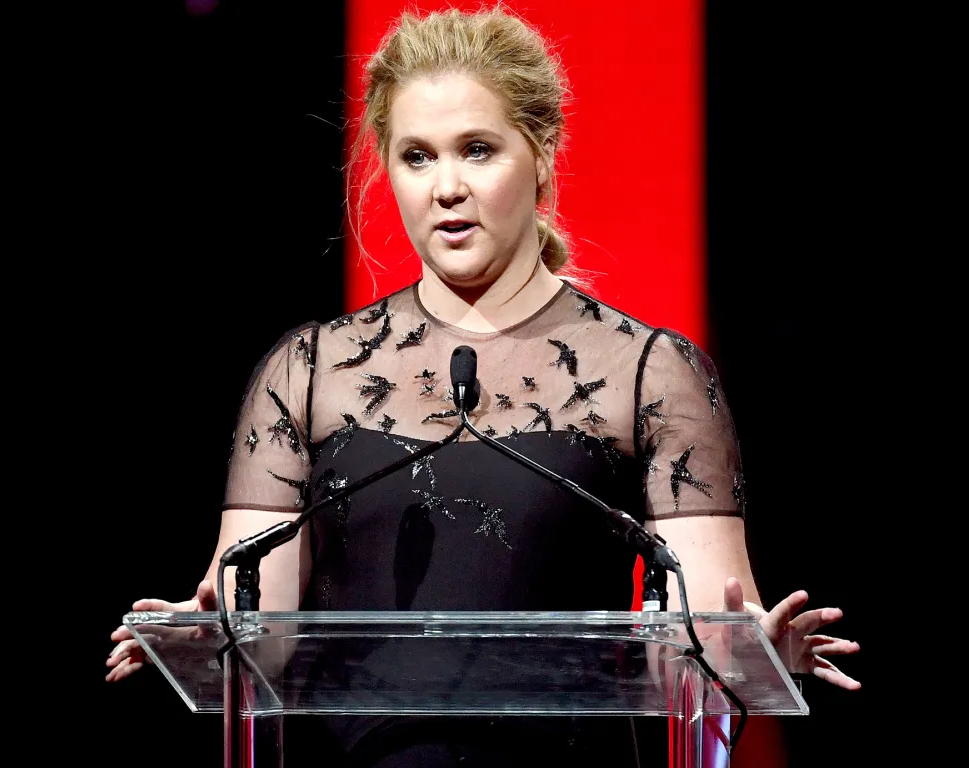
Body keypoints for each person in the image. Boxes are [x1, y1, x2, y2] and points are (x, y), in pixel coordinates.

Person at [106, 6, 860, 766]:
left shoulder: (649, 372)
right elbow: (257, 637)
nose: (447, 187)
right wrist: (206, 637)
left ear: (542, 154)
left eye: (477, 150)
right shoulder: (308, 371)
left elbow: (698, 644)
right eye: (417, 157)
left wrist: (746, 653)